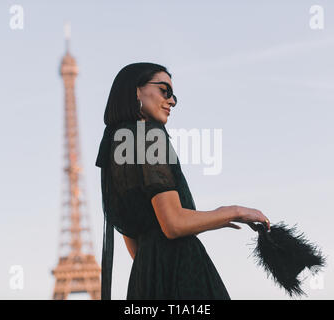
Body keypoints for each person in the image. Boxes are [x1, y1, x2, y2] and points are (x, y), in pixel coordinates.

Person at [95, 62, 270, 300]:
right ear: (136, 91)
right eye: (164, 90)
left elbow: (132, 237)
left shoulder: (115, 146)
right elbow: (174, 223)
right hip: (183, 273)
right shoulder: (149, 136)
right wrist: (235, 211)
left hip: (145, 280)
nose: (172, 101)